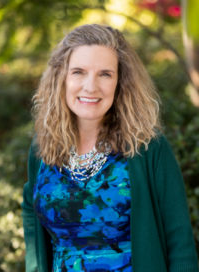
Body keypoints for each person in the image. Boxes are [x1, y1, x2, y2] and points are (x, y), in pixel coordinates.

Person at [21, 23, 199, 272]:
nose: (90, 86)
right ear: (61, 78)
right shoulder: (43, 145)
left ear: (121, 82)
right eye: (79, 72)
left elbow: (179, 241)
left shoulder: (147, 147)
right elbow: (30, 206)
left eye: (105, 74)